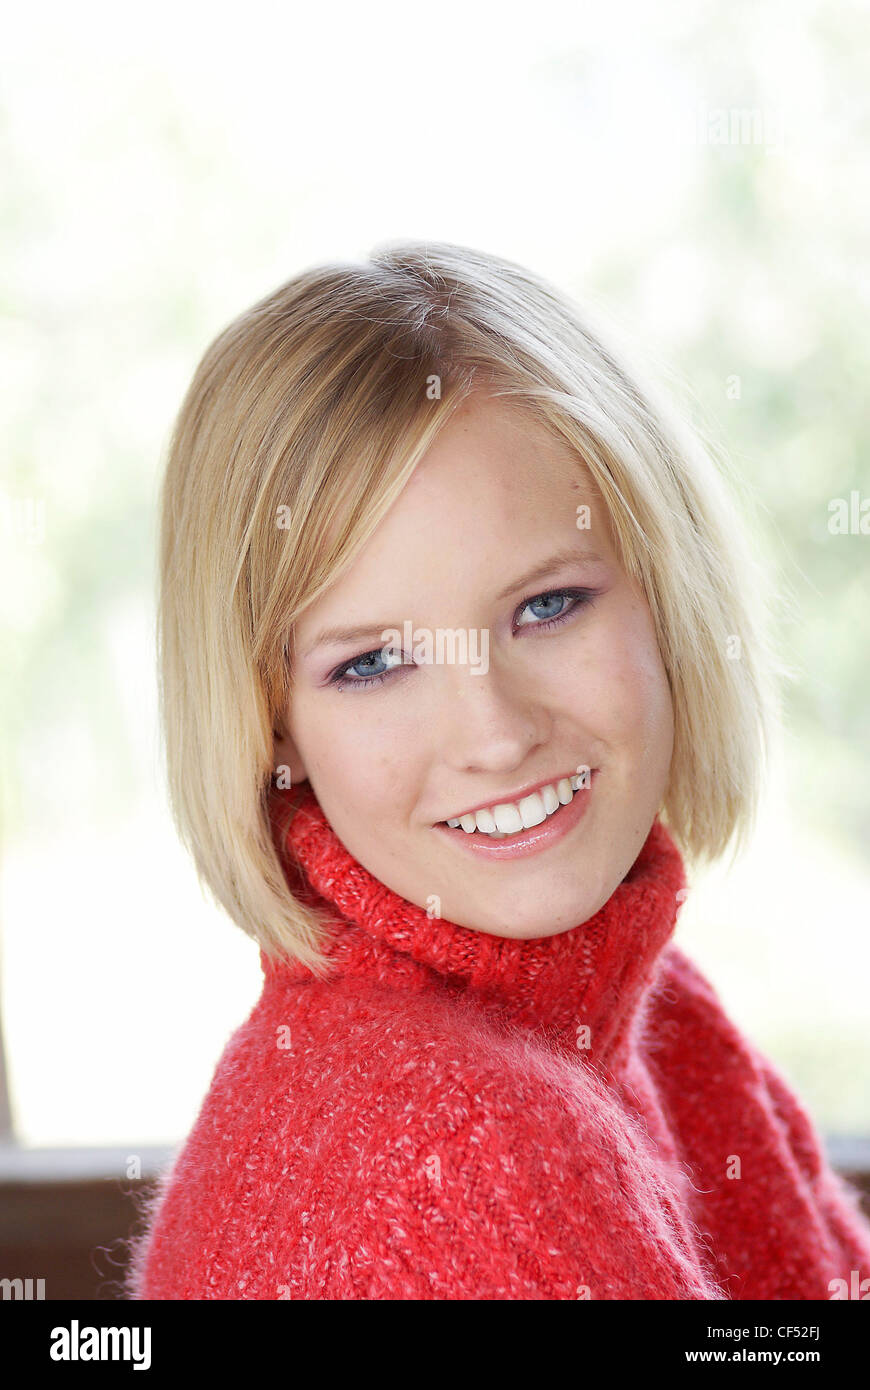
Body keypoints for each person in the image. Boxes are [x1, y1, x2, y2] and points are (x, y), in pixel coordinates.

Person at [125, 241, 870, 1299]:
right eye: (374, 661)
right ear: (271, 722)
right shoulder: (463, 1151)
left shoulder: (659, 1020)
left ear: (667, 593)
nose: (494, 731)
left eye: (547, 606)